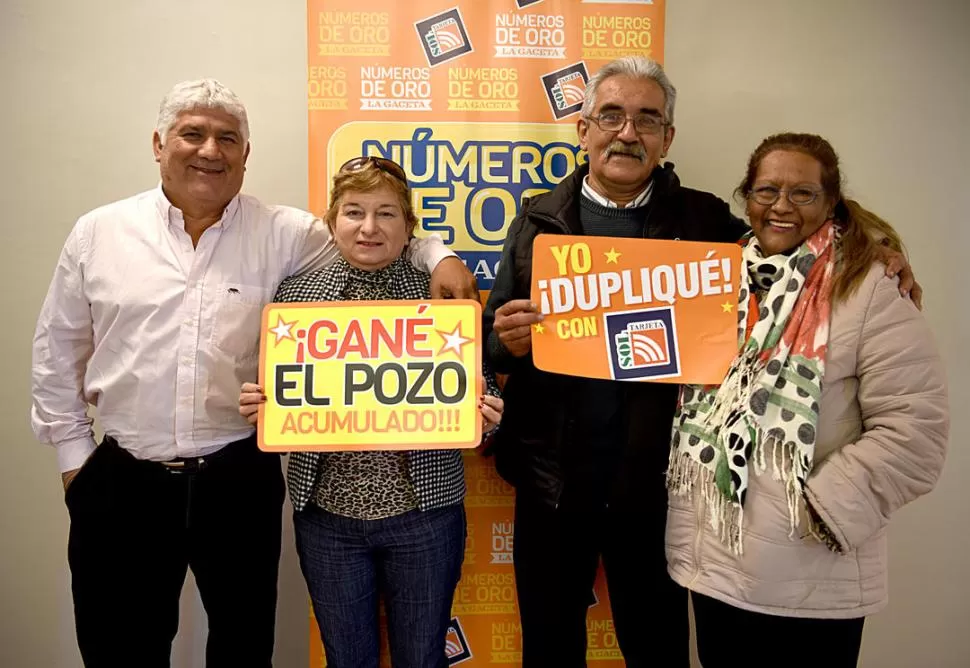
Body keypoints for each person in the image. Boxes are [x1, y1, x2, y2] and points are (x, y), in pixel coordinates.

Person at [481, 56, 919, 667]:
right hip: (552, 485)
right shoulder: (536, 219)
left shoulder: (706, 220)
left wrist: (881, 247)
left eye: (647, 119)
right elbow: (491, 336)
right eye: (610, 115)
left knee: (659, 649)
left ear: (668, 137)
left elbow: (792, 228)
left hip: (656, 488)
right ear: (583, 130)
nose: (627, 132)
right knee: (549, 649)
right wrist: (506, 340)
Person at [29, 79, 478, 668]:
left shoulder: (285, 233)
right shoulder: (98, 233)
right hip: (122, 478)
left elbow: (375, 232)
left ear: (246, 154)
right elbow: (58, 349)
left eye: (227, 138)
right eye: (193, 134)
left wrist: (439, 252)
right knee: (118, 647)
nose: (210, 150)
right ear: (159, 143)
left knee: (243, 647)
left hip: (236, 478)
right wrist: (73, 461)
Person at [664, 132, 948, 667]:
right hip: (718, 569)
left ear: (831, 202)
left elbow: (917, 430)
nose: (781, 206)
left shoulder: (870, 288)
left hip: (812, 575)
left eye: (803, 193)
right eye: (767, 190)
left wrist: (820, 509)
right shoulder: (714, 279)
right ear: (745, 197)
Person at [237, 155, 503, 667]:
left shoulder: (439, 291)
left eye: (386, 213)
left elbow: (480, 385)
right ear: (331, 220)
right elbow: (288, 392)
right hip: (328, 519)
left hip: (425, 518)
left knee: (422, 658)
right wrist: (262, 405)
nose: (369, 227)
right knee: (347, 661)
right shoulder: (295, 298)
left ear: (408, 225)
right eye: (354, 212)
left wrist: (488, 411)